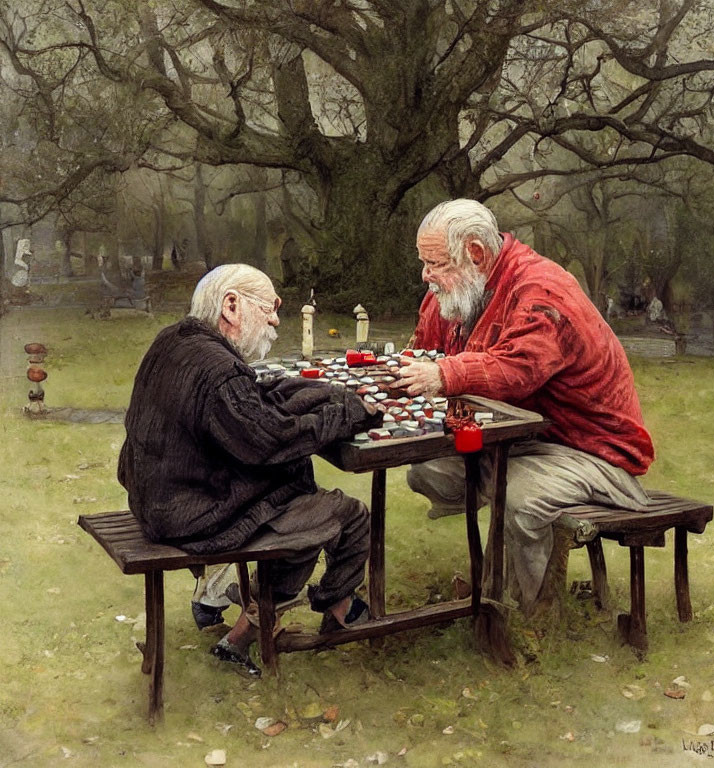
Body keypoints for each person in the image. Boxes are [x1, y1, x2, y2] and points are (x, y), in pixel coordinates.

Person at [118, 264, 382, 673]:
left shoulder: (176, 340)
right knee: (341, 513)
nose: (277, 319)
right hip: (190, 514)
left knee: (300, 493)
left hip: (158, 499)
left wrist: (323, 393)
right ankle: (337, 606)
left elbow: (255, 400)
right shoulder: (218, 369)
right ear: (231, 306)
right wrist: (346, 414)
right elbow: (269, 441)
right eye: (270, 308)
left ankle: (247, 632)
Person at [397, 199, 654, 615]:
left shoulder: (541, 288)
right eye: (424, 263)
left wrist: (444, 375)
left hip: (591, 451)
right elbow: (423, 350)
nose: (427, 276)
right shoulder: (454, 291)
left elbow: (520, 369)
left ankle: (526, 612)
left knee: (521, 495)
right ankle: (488, 584)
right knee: (429, 469)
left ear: (476, 254)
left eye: (436, 264)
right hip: (524, 439)